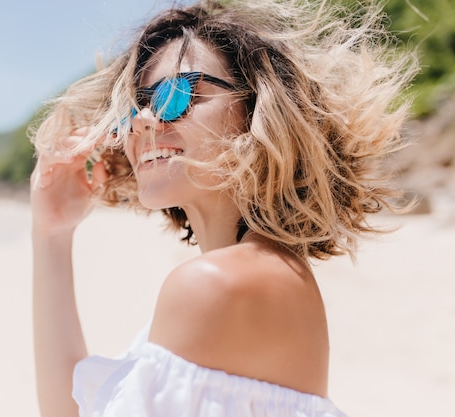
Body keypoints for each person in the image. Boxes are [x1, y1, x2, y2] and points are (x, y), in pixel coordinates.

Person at [30, 0, 417, 416]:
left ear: (256, 112)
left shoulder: (215, 286)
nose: (143, 120)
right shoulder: (259, 275)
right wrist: (51, 232)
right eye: (133, 107)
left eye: (174, 94)